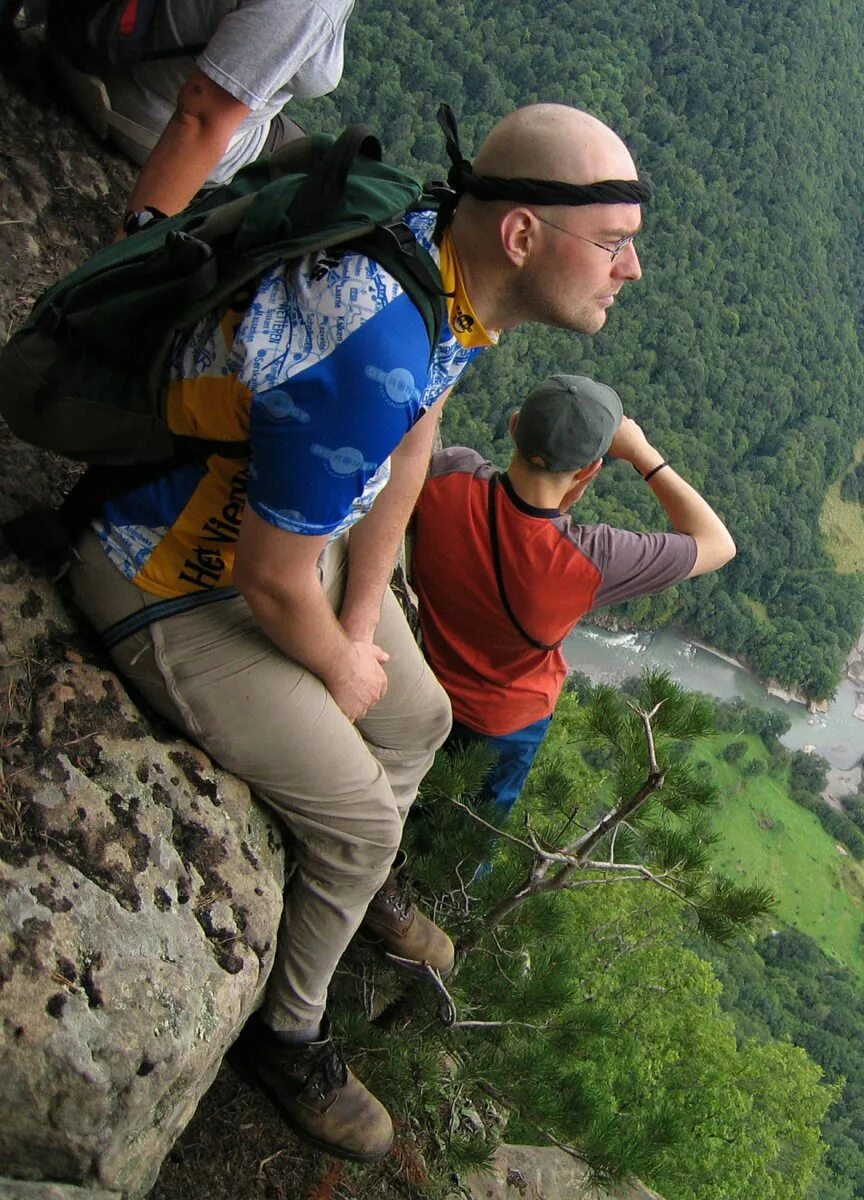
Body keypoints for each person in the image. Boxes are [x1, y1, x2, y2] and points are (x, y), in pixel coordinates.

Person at [64, 101, 650, 1161]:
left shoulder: (446, 275)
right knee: (366, 818)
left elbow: (413, 448)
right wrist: (335, 654)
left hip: (275, 526)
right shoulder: (377, 337)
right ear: (524, 235)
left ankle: (346, 885)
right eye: (613, 244)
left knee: (418, 714)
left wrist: (362, 613)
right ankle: (286, 1033)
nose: (632, 270)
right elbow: (271, 577)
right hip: (168, 569)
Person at [410, 375, 736, 818]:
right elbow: (718, 544)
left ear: (513, 426)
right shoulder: (591, 560)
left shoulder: (450, 473)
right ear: (589, 470)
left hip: (422, 681)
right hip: (503, 725)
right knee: (471, 832)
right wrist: (643, 454)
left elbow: (508, 529)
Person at [26, 0, 355, 226]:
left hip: (80, 35)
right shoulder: (311, 7)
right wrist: (128, 256)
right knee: (341, 191)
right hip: (141, 115)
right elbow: (199, 119)